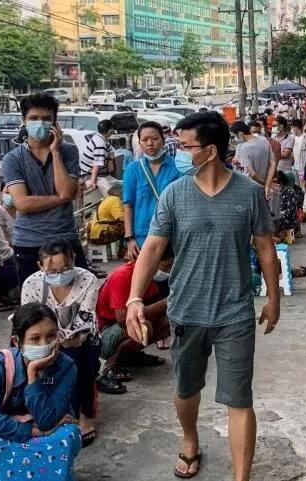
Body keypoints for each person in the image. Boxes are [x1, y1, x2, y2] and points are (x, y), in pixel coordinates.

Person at [125, 111, 280, 480]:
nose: (178, 153)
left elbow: (265, 248)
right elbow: (153, 247)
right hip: (186, 311)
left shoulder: (249, 193)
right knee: (186, 389)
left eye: (185, 146)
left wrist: (274, 298)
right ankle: (190, 438)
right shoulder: (175, 194)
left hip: (235, 314)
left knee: (239, 398)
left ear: (209, 150)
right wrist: (134, 299)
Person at [0, 302, 82, 481]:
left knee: (68, 435)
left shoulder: (66, 367)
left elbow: (45, 421)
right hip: (13, 428)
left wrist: (32, 375)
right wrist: (30, 430)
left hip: (48, 426)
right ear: (17, 342)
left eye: (51, 336)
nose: (44, 344)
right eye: (35, 338)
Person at [20, 240, 110, 446]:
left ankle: (86, 413)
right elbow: (28, 320)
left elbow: (85, 317)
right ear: (40, 266)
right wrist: (51, 341)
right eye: (52, 271)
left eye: (66, 269)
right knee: (25, 358)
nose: (60, 275)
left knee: (80, 363)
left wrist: (70, 340)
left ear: (74, 260)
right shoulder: (31, 284)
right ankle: (39, 407)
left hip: (82, 338)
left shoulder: (88, 279)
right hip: (46, 337)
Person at [3, 93, 85, 285]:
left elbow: (66, 191)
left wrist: (55, 151)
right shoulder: (13, 159)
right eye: (33, 118)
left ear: (55, 122)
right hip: (28, 242)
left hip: (65, 238)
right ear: (24, 120)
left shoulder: (68, 151)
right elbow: (23, 205)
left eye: (46, 119)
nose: (40, 123)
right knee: (34, 300)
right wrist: (62, 198)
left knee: (77, 295)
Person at [96, 247, 173, 388]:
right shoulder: (123, 275)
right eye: (167, 266)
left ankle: (130, 355)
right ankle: (111, 363)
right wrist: (166, 302)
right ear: (153, 261)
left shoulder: (151, 277)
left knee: (169, 322)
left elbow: (157, 310)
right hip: (106, 333)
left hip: (126, 325)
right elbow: (123, 320)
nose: (169, 271)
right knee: (144, 326)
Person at [122, 121, 180, 260]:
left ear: (163, 140)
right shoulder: (133, 169)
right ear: (139, 143)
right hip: (142, 238)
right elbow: (128, 206)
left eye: (154, 138)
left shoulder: (177, 167)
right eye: (144, 140)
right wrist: (129, 238)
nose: (150, 143)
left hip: (172, 237)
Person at [231, 121, 279, 218]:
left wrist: (266, 184)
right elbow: (273, 163)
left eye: (234, 136)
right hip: (264, 189)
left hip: (249, 189)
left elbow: (252, 174)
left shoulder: (244, 148)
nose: (235, 139)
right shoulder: (263, 140)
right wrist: (267, 184)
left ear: (240, 133)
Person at [80, 119, 116, 195]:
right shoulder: (100, 143)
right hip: (90, 174)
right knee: (110, 193)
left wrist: (110, 160)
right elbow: (96, 165)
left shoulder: (99, 137)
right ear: (110, 130)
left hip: (99, 172)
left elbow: (111, 149)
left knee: (117, 185)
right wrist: (92, 182)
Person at [88, 181, 124, 245]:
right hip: (101, 233)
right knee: (129, 225)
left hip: (95, 234)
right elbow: (122, 218)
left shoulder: (107, 199)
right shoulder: (115, 199)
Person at [274, 171, 298, 242]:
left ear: (281, 184)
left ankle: (277, 237)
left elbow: (290, 211)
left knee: (275, 219)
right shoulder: (280, 192)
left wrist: (279, 213)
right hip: (282, 216)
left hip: (289, 219)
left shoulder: (290, 192)